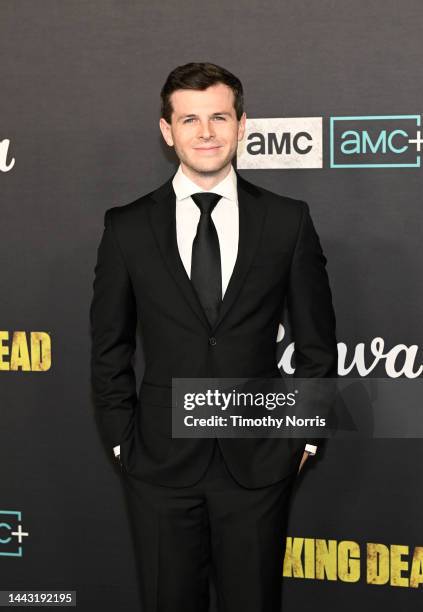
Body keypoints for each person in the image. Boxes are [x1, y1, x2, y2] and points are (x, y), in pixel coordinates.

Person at [90, 61, 337, 612]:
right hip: (157, 464)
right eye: (190, 119)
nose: (205, 132)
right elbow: (110, 348)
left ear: (242, 124)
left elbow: (318, 344)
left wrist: (302, 440)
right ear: (166, 131)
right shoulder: (126, 227)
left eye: (219, 117)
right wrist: (120, 440)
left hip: (258, 462)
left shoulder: (287, 220)